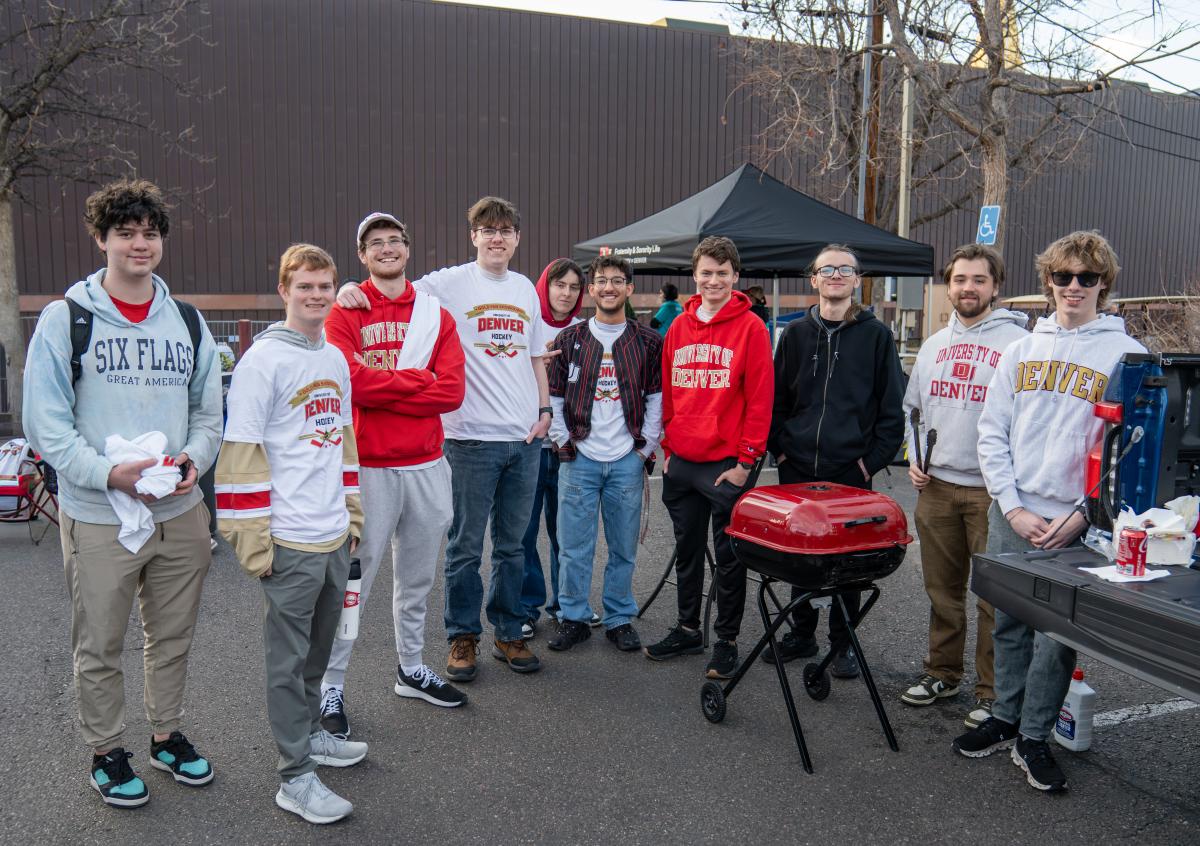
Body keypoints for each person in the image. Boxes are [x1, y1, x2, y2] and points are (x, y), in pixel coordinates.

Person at [24, 178, 222, 808]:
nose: (140, 243)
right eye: (127, 232)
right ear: (102, 238)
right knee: (100, 641)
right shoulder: (66, 319)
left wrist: (193, 460)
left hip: (179, 510)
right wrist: (108, 474)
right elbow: (45, 424)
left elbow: (208, 414)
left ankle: (166, 735)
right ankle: (107, 751)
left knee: (172, 635)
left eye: (151, 232)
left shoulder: (187, 321)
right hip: (99, 512)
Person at [953, 231, 1146, 793]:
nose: (1074, 287)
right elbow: (993, 434)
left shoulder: (1124, 354)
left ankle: (1034, 736)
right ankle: (1005, 718)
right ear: (1049, 282)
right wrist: (1011, 508)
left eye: (1087, 277)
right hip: (1016, 512)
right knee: (1009, 621)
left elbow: (1126, 448)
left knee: (1057, 636)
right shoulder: (1021, 349)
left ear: (1104, 285)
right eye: (1063, 277)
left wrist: (1087, 514)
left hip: (1079, 523)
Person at [336, 196, 552, 680]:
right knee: (464, 547)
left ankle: (508, 631)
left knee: (514, 546)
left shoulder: (523, 289)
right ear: (473, 236)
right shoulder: (447, 284)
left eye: (506, 230)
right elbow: (391, 282)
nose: (497, 238)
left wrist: (543, 412)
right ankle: (461, 638)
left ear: (517, 238)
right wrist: (347, 288)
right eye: (487, 230)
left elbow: (535, 356)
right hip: (470, 440)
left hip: (523, 437)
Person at [216, 243, 366, 823]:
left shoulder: (331, 357)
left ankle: (312, 739)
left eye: (324, 286)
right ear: (284, 291)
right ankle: (294, 776)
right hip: (290, 539)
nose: (315, 295)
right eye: (304, 286)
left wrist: (352, 515)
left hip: (332, 535)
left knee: (318, 654)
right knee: (287, 664)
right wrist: (255, 542)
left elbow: (344, 444)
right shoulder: (263, 362)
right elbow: (238, 458)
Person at [315, 214, 468, 742]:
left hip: (426, 464)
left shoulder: (435, 315)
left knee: (419, 579)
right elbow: (348, 382)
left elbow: (450, 392)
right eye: (375, 243)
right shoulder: (346, 309)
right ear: (362, 254)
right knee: (353, 582)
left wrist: (386, 387)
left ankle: (410, 667)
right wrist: (413, 380)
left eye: (394, 241)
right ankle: (330, 685)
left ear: (407, 248)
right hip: (370, 467)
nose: (386, 249)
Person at [901, 244, 1029, 728]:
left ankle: (995, 691)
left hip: (994, 494)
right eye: (959, 279)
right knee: (942, 590)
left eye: (978, 280)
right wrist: (916, 458)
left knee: (994, 598)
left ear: (996, 286)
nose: (968, 288)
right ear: (948, 285)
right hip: (936, 488)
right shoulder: (933, 346)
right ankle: (943, 672)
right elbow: (914, 411)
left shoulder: (1016, 346)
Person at [766, 244, 904, 679]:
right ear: (814, 279)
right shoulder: (794, 335)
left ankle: (843, 642)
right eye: (828, 270)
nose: (836, 275)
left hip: (850, 471)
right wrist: (782, 449)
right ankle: (801, 632)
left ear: (857, 279)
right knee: (801, 556)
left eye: (845, 269)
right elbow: (776, 402)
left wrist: (868, 465)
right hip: (798, 467)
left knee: (848, 562)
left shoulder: (876, 336)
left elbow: (891, 411)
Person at [644, 236, 773, 678]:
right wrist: (668, 447)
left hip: (726, 465)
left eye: (722, 272)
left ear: (735, 276)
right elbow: (668, 390)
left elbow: (760, 400)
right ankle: (687, 628)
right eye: (706, 272)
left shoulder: (752, 327)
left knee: (729, 554)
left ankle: (726, 639)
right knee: (687, 550)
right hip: (683, 459)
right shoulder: (678, 327)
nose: (713, 280)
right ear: (694, 276)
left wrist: (746, 463)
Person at [546, 256, 663, 653]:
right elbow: (555, 397)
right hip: (580, 459)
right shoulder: (570, 340)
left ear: (629, 289)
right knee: (574, 546)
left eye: (617, 281)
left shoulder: (647, 341)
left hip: (626, 460)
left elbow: (656, 398)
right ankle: (573, 617)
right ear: (591, 290)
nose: (609, 287)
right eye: (601, 281)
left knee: (623, 548)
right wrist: (565, 443)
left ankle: (618, 617)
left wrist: (644, 449)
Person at [520, 258, 588, 637]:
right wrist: (534, 365)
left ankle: (567, 605)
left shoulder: (585, 331)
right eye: (559, 285)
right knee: (524, 534)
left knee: (567, 533)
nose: (565, 293)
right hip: (530, 446)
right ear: (544, 287)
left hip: (568, 448)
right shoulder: (528, 325)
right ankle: (527, 608)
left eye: (574, 287)